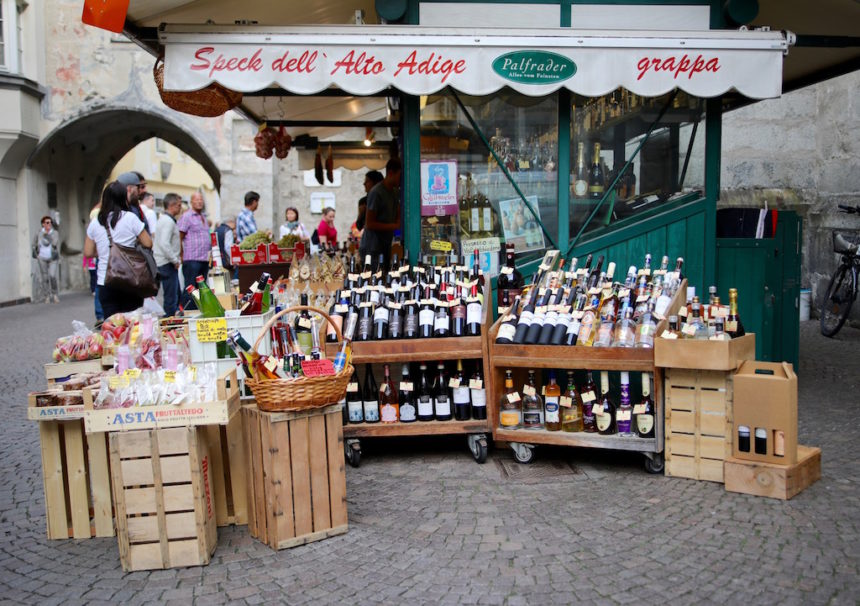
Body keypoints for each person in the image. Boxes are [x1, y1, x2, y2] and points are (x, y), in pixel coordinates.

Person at [92, 181, 153, 318]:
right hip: (130, 280)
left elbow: (88, 252)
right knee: (133, 326)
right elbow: (148, 243)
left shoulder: (96, 222)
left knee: (111, 328)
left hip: (105, 281)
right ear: (123, 198)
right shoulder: (130, 218)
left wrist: (104, 251)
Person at [360, 158, 402, 270]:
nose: (401, 179)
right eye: (399, 175)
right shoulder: (376, 192)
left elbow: (398, 214)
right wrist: (395, 226)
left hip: (386, 246)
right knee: (374, 281)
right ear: (391, 173)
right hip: (372, 248)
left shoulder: (395, 192)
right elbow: (369, 223)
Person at [177, 191, 210, 310]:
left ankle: (197, 310)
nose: (199, 202)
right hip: (191, 259)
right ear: (191, 202)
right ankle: (186, 311)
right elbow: (179, 236)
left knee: (201, 288)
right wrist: (181, 254)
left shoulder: (203, 217)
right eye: (196, 200)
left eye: (201, 200)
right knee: (190, 288)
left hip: (203, 259)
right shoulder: (187, 216)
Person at [153, 193, 183, 317]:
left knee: (173, 294)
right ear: (171, 205)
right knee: (171, 296)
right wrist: (174, 260)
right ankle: (169, 322)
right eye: (179, 205)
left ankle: (171, 318)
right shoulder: (168, 221)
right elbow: (164, 243)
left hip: (165, 261)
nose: (180, 208)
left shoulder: (165, 219)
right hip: (167, 263)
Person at [32, 215, 60, 304]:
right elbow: (33, 243)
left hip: (52, 258)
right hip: (42, 257)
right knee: (45, 277)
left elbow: (55, 243)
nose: (49, 224)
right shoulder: (38, 233)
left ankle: (55, 294)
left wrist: (48, 235)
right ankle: (47, 296)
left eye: (50, 222)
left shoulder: (54, 233)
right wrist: (36, 254)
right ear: (43, 224)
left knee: (52, 275)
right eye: (47, 223)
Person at [351, 170, 383, 240]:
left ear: (376, 183)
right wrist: (361, 214)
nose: (364, 183)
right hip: (369, 241)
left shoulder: (384, 200)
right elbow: (359, 226)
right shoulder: (363, 202)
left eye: (367, 181)